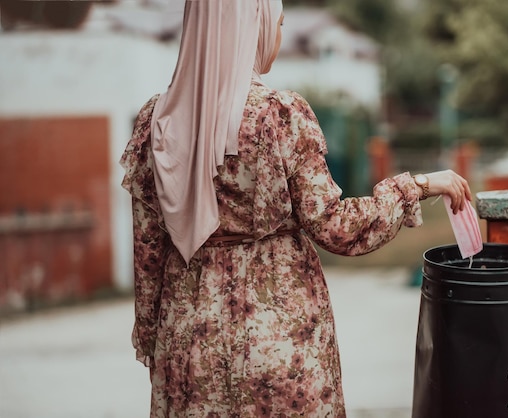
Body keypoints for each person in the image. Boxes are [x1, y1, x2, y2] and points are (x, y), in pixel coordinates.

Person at [119, 0, 472, 416]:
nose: (279, 36)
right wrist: (416, 186)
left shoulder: (154, 122)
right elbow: (336, 227)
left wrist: (152, 338)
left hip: (188, 345)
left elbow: (148, 252)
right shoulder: (278, 114)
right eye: (278, 23)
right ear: (252, 26)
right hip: (278, 344)